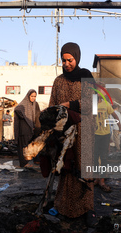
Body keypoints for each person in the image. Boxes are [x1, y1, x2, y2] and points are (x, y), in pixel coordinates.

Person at [49, 42, 95, 221]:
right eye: (63, 60)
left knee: (83, 167)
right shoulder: (58, 81)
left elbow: (92, 103)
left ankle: (87, 208)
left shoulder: (87, 77)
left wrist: (70, 105)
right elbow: (53, 104)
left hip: (84, 130)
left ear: (77, 57)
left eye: (70, 60)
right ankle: (64, 206)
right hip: (64, 131)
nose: (67, 63)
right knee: (66, 167)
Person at [94, 87, 121, 193]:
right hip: (94, 135)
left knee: (103, 158)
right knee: (94, 158)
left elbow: (115, 115)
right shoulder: (89, 105)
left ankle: (102, 180)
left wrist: (120, 127)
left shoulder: (106, 104)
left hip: (105, 134)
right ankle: (97, 178)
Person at [14, 89, 41, 168]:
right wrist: (24, 117)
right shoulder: (23, 104)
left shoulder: (35, 104)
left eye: (35, 96)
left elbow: (37, 116)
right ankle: (24, 163)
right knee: (23, 146)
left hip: (32, 129)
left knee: (33, 145)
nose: (33, 98)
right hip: (24, 128)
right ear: (28, 96)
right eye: (32, 96)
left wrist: (37, 127)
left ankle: (34, 160)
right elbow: (17, 110)